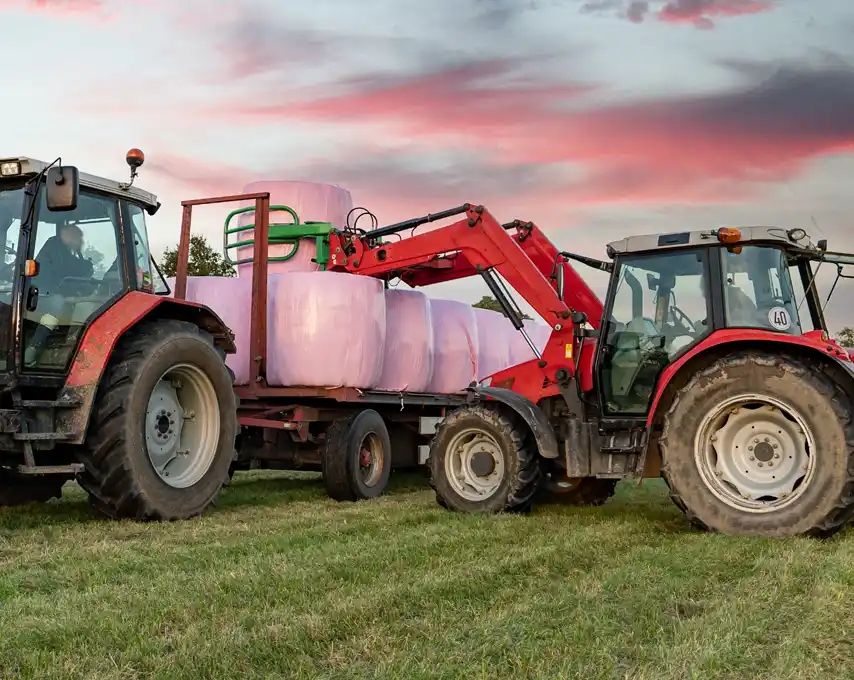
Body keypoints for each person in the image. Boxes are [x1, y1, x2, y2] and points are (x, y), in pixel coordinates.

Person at [24, 223, 95, 366]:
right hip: (42, 295)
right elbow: (66, 270)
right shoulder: (56, 248)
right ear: (69, 236)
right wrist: (85, 268)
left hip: (43, 292)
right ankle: (34, 346)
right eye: (78, 238)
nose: (81, 242)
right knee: (58, 302)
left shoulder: (63, 250)